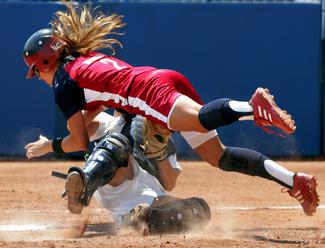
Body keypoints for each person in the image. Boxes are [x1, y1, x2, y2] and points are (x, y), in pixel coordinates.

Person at [23, 3, 319, 216]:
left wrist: (48, 145)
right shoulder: (84, 61)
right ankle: (294, 181)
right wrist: (84, 127)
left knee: (199, 121)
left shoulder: (64, 81)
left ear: (47, 60)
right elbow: (99, 105)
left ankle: (252, 107)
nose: (39, 78)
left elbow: (79, 142)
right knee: (219, 156)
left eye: (37, 71)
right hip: (159, 78)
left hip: (146, 94)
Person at [52, 112, 211, 234]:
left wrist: (159, 153)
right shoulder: (109, 122)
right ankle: (84, 184)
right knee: (116, 143)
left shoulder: (163, 137)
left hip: (147, 193)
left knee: (198, 209)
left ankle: (140, 219)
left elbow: (169, 184)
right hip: (117, 182)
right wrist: (99, 105)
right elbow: (75, 128)